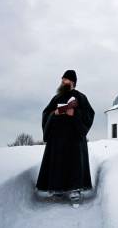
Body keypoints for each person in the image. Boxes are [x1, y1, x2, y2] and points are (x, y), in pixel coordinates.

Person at [36, 70, 95, 207]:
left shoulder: (81, 98)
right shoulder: (56, 98)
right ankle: (57, 189)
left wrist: (74, 113)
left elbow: (89, 115)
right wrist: (55, 113)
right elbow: (46, 113)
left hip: (75, 139)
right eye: (62, 79)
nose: (62, 82)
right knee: (58, 162)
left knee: (74, 163)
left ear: (72, 82)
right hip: (57, 139)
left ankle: (75, 191)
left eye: (65, 80)